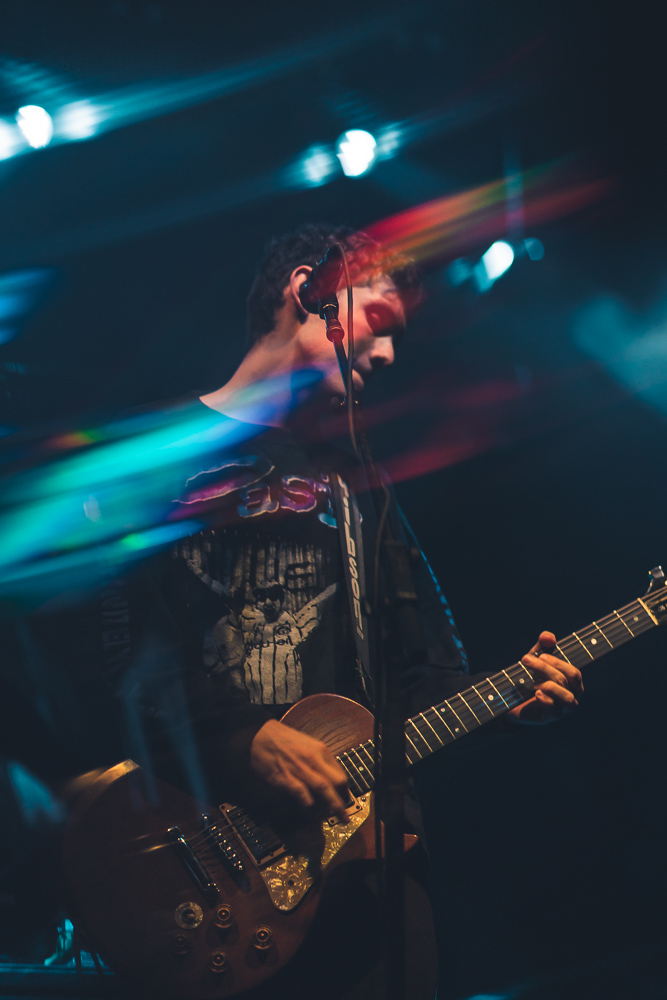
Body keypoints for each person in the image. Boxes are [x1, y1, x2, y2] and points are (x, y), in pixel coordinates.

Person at [0, 224, 582, 999]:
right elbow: (94, 652)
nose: (386, 358)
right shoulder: (156, 458)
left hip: (367, 872)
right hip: (200, 863)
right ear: (305, 291)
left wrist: (510, 698)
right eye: (378, 324)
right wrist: (237, 738)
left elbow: (422, 675)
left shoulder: (360, 484)